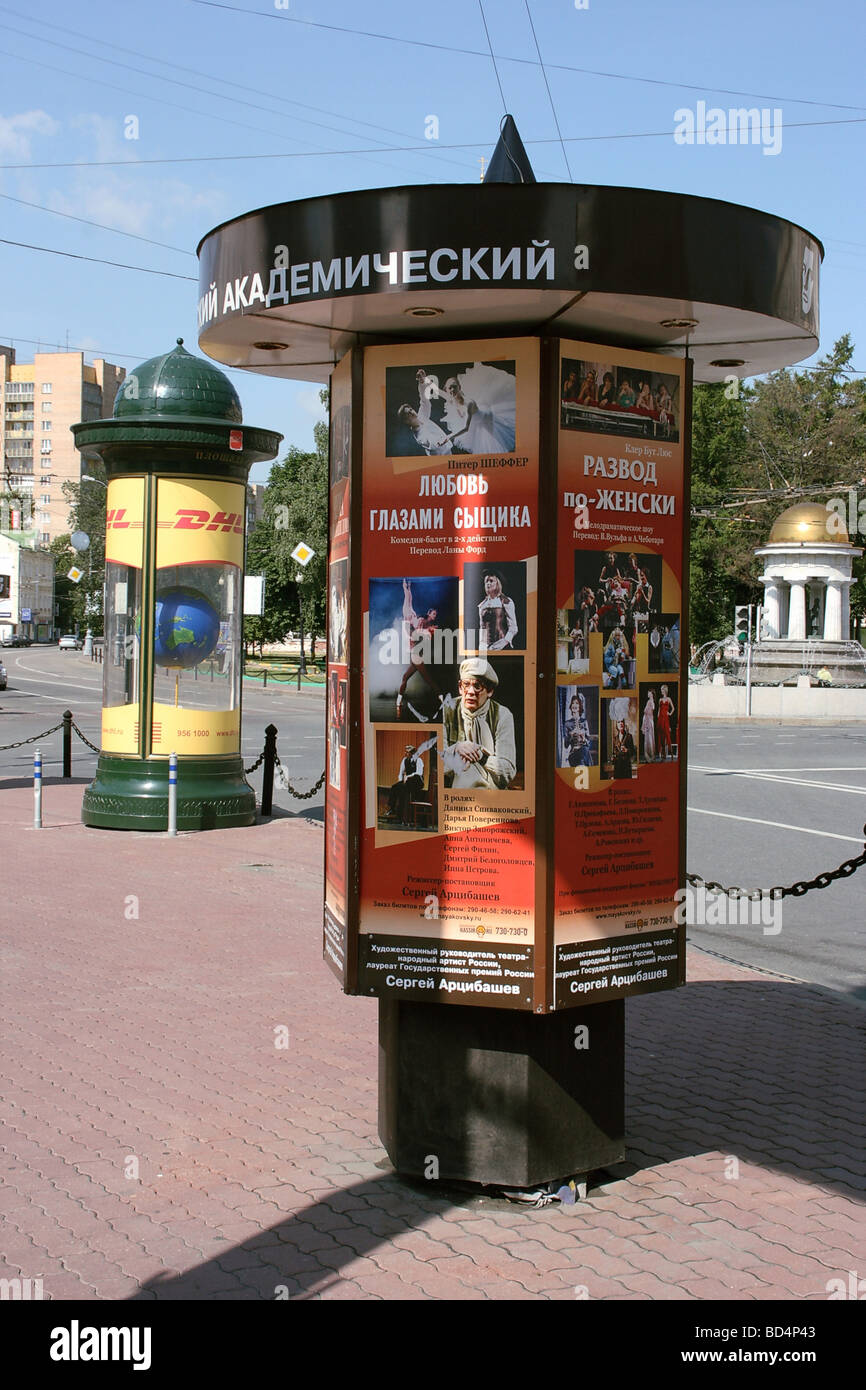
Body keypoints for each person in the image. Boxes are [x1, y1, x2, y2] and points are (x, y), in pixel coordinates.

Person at [442, 657, 516, 790]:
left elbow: (508, 771)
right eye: (466, 685)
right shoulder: (447, 711)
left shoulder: (503, 715)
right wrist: (457, 749)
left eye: (477, 686)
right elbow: (438, 764)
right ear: (460, 687)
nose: (470, 692)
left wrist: (481, 755)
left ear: (490, 691)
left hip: (493, 794)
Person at [443, 362, 516, 454]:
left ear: (459, 387)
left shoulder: (469, 403)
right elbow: (440, 393)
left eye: (454, 387)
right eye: (450, 388)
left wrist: (449, 437)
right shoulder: (451, 398)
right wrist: (425, 381)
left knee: (495, 446)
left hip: (486, 420)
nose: (452, 390)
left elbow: (466, 428)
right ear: (446, 389)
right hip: (475, 421)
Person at [396, 579, 441, 718]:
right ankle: (398, 703)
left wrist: (426, 632)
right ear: (429, 613)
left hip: (417, 654)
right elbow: (409, 601)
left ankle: (443, 699)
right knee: (406, 677)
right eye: (433, 614)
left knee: (428, 680)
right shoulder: (420, 620)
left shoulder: (421, 622)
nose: (435, 616)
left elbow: (421, 636)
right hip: (415, 651)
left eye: (435, 615)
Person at [397, 370, 453, 455]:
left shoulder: (421, 416)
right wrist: (445, 438)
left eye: (411, 409)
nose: (412, 412)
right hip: (440, 457)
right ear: (406, 421)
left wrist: (422, 382)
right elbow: (433, 444)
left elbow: (424, 401)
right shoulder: (420, 437)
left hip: (447, 449)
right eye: (408, 414)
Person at [477, 568, 518, 650]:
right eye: (486, 581)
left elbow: (513, 628)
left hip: (502, 646)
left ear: (497, 583)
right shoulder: (483, 605)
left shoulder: (506, 601)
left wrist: (503, 642)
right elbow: (482, 627)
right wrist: (482, 645)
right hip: (485, 648)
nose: (488, 584)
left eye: (491, 581)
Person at [386, 744, 425, 823]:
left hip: (417, 782)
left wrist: (408, 777)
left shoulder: (419, 760)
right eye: (406, 752)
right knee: (394, 787)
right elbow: (400, 772)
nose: (406, 754)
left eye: (408, 752)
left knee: (409, 783)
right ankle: (392, 809)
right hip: (407, 782)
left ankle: (402, 815)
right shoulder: (404, 760)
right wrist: (400, 781)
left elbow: (419, 773)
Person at [563, 692, 592, 767]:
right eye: (573, 703)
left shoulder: (584, 722)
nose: (574, 705)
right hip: (574, 754)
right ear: (571, 706)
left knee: (582, 757)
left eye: (577, 703)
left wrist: (583, 737)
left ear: (580, 706)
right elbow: (566, 745)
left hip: (584, 753)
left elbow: (589, 743)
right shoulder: (567, 723)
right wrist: (571, 735)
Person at [657, 684, 674, 759]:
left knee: (667, 735)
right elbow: (659, 710)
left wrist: (669, 713)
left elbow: (673, 708)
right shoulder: (660, 699)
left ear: (665, 690)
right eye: (661, 690)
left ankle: (671, 753)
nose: (661, 691)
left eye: (662, 690)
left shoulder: (669, 699)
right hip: (660, 718)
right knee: (661, 736)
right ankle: (661, 753)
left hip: (666, 718)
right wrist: (658, 717)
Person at [642, 689, 656, 762]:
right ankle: (650, 756)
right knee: (648, 739)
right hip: (649, 721)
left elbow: (651, 710)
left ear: (651, 694)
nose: (647, 694)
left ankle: (650, 756)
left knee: (649, 739)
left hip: (648, 721)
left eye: (648, 693)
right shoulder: (650, 701)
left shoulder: (650, 701)